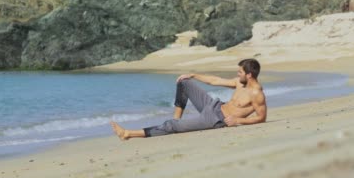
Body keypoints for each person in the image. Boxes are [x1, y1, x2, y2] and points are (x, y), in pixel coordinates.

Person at [111, 59, 267, 139]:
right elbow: (215, 80)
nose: (237, 74)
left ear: (249, 75)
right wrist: (193, 75)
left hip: (215, 119)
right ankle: (176, 120)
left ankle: (128, 134)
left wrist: (239, 121)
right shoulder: (240, 83)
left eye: (240, 72)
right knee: (184, 82)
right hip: (214, 106)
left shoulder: (256, 94)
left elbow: (261, 118)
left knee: (171, 126)